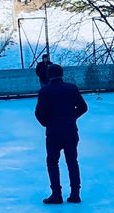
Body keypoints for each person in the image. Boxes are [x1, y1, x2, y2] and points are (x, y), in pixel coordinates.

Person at [35, 64, 88, 205]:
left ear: (48, 75)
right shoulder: (71, 88)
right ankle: (75, 194)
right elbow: (83, 107)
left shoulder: (45, 91)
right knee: (72, 162)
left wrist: (48, 123)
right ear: (62, 74)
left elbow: (39, 113)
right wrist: (72, 117)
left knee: (52, 162)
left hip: (53, 133)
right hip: (71, 131)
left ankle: (56, 194)